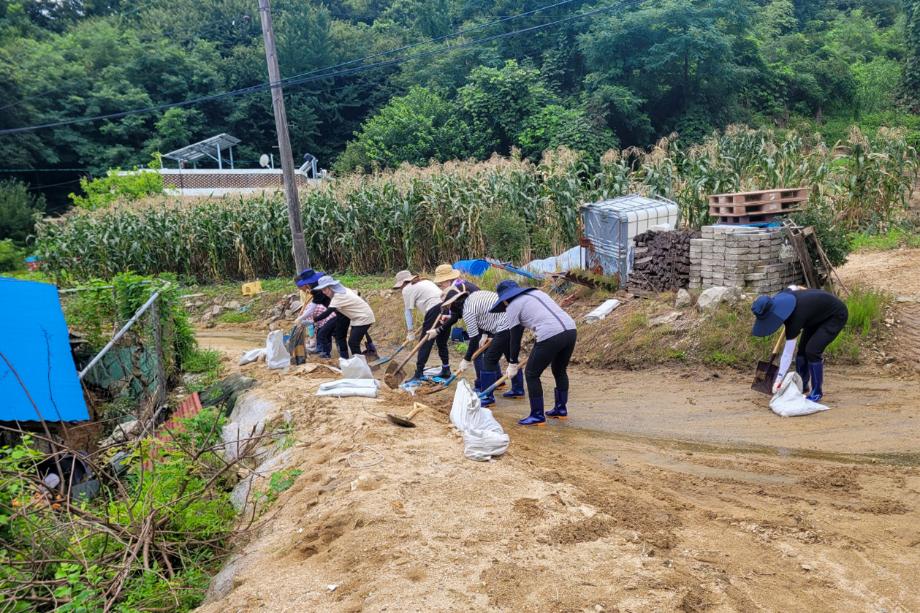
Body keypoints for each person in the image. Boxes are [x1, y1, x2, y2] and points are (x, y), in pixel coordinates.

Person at [491, 280, 577, 426]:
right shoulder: (538, 293)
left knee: (531, 373)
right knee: (560, 370)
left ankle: (537, 415)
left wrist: (512, 363)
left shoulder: (512, 306)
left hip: (549, 334)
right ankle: (561, 409)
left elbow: (515, 338)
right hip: (570, 330)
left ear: (504, 299)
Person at [751, 287, 848, 402]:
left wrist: (779, 379)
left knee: (812, 351)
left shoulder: (795, 319)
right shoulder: (781, 296)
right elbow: (793, 287)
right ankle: (802, 385)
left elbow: (788, 353)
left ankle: (817, 392)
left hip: (835, 315)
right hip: (814, 316)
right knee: (802, 351)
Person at [458, 289, 523, 406]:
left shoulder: (467, 311)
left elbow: (473, 340)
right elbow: (487, 315)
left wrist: (466, 359)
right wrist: (485, 334)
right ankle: (518, 390)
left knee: (489, 359)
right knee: (510, 356)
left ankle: (488, 397)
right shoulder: (474, 297)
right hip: (514, 319)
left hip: (505, 323)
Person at [312, 276, 376, 358]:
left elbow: (327, 312)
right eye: (322, 290)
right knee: (354, 342)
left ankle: (360, 365)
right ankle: (360, 361)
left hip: (363, 317)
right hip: (357, 318)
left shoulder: (338, 296)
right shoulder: (343, 289)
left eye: (325, 289)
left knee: (353, 343)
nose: (324, 292)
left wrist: (313, 320)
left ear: (331, 287)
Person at [393, 270, 441, 344]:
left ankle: (422, 355)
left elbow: (408, 312)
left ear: (403, 283)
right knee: (441, 340)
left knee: (424, 342)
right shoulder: (426, 281)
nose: (400, 288)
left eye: (400, 286)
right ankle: (444, 356)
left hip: (433, 308)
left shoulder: (406, 289)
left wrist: (410, 331)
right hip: (445, 306)